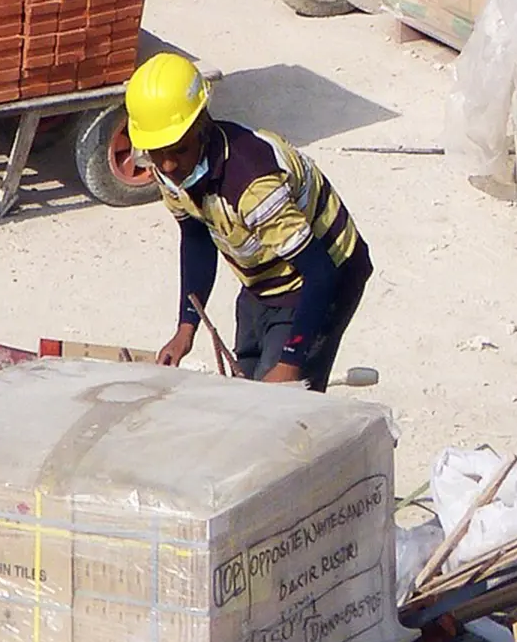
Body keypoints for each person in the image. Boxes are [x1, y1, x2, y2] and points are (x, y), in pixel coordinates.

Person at [123, 53, 373, 391]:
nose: (168, 165)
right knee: (245, 391)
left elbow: (321, 273)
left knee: (280, 407)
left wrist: (291, 362)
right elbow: (196, 238)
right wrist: (187, 326)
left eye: (178, 150)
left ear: (202, 127)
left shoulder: (253, 187)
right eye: (157, 152)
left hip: (322, 278)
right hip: (262, 281)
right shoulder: (171, 172)